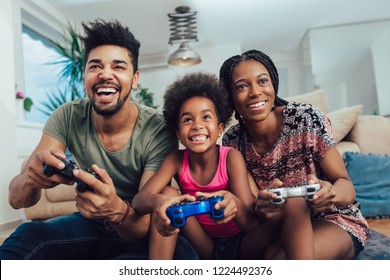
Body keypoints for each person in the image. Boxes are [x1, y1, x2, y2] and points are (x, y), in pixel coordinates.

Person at [0, 19, 197, 260]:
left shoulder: (158, 128)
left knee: (183, 259)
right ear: (84, 77)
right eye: (95, 66)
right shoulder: (68, 115)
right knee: (29, 235)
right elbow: (15, 199)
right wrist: (32, 179)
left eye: (118, 67)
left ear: (134, 79)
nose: (105, 74)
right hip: (91, 223)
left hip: (141, 228)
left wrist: (115, 210)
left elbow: (144, 225)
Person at [219, 49, 370, 259]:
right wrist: (262, 207)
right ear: (230, 97)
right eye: (242, 86)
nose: (255, 92)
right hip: (277, 224)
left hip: (331, 219)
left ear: (273, 85)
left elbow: (346, 186)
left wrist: (330, 194)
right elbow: (251, 209)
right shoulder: (233, 141)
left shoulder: (305, 118)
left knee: (279, 257)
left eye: (263, 81)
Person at [132, 72, 265, 260]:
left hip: (241, 242)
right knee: (168, 195)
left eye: (206, 117)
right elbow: (138, 201)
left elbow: (251, 223)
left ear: (220, 129)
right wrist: (158, 202)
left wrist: (232, 201)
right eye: (188, 119)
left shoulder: (231, 158)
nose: (197, 126)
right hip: (205, 246)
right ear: (178, 134)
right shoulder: (176, 160)